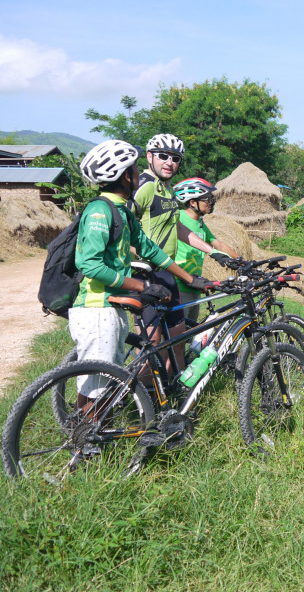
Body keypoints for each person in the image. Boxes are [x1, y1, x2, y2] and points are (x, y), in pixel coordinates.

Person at [70, 140, 206, 410]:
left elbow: (149, 248)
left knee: (105, 383)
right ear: (125, 176)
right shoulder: (100, 210)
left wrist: (190, 279)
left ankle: (97, 435)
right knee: (96, 388)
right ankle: (86, 443)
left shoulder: (120, 209)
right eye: (133, 168)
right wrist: (141, 285)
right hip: (96, 308)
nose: (137, 172)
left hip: (111, 306)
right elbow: (91, 266)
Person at [134, 134, 214, 368]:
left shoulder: (167, 191)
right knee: (153, 348)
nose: (169, 162)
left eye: (175, 158)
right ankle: (146, 400)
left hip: (167, 274)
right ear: (150, 157)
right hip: (147, 274)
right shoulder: (144, 187)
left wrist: (212, 251)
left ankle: (176, 394)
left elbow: (177, 228)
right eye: (163, 156)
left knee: (178, 341)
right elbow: (123, 226)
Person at [172, 178, 238, 323]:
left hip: (196, 285)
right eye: (206, 199)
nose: (210, 202)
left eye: (210, 198)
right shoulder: (180, 217)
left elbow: (218, 245)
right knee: (177, 334)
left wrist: (241, 260)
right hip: (180, 284)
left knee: (190, 332)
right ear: (192, 202)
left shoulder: (200, 223)